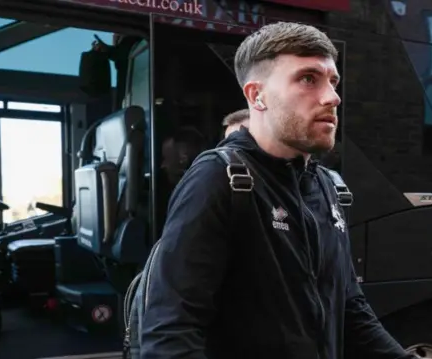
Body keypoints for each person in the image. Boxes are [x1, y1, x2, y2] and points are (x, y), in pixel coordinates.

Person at [140, 22, 417, 359]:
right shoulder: (217, 179)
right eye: (308, 79)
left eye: (333, 81)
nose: (332, 97)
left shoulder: (327, 186)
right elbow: (171, 331)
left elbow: (349, 308)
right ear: (257, 96)